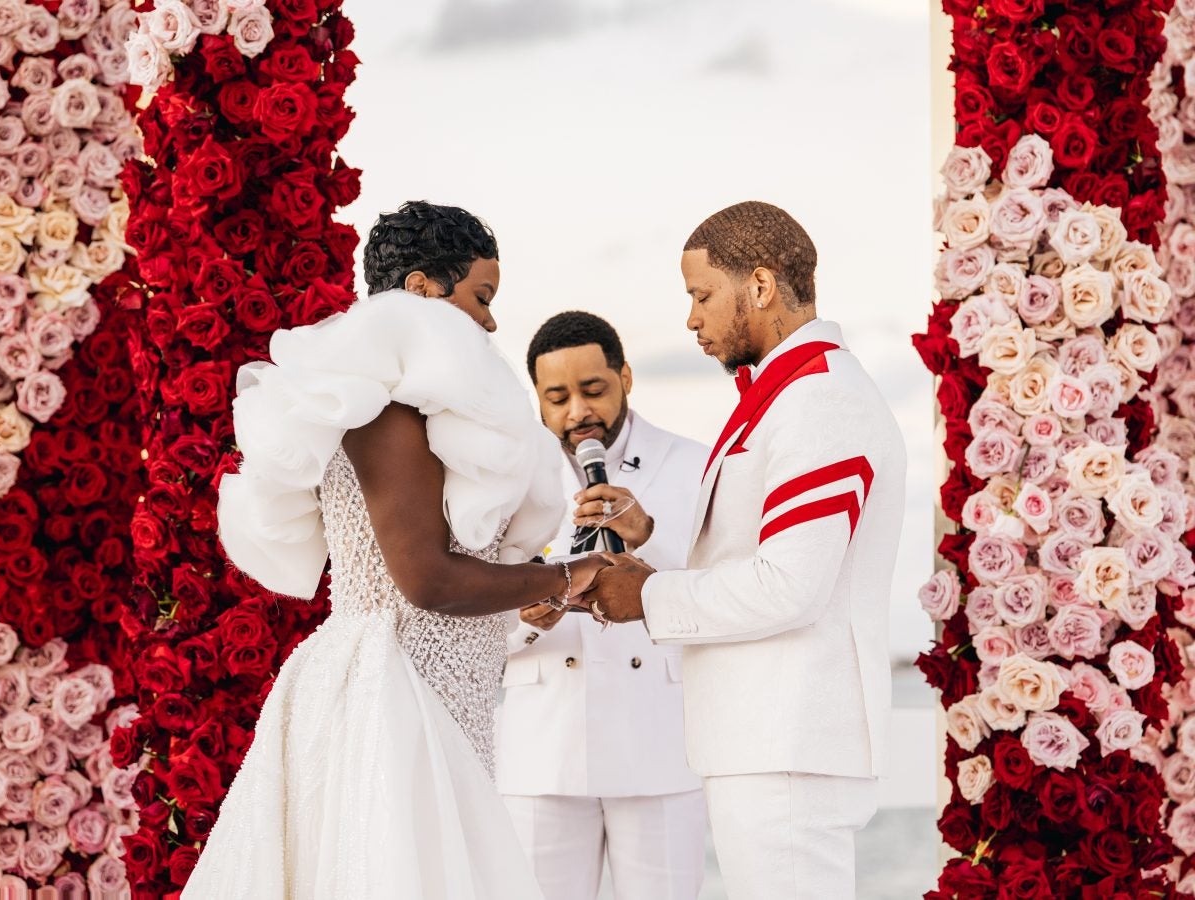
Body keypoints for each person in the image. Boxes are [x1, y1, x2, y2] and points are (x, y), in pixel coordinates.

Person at [184, 201, 606, 899]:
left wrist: (529, 591)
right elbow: (427, 580)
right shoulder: (381, 410)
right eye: (480, 297)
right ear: (420, 292)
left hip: (441, 702)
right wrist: (564, 576)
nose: (492, 323)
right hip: (392, 698)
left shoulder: (422, 414)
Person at [584, 201, 907, 899]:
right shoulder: (785, 395)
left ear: (759, 286)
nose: (691, 319)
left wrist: (646, 595)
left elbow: (790, 584)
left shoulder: (822, 400)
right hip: (764, 741)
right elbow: (750, 552)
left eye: (701, 295)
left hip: (787, 743)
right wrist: (650, 539)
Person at [496, 311, 707, 900]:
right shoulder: (507, 476)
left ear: (626, 378)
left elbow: (728, 588)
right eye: (557, 397)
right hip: (543, 747)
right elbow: (473, 602)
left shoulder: (694, 464)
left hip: (659, 741)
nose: (577, 414)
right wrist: (524, 619)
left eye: (593, 390)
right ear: (537, 401)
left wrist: (649, 536)